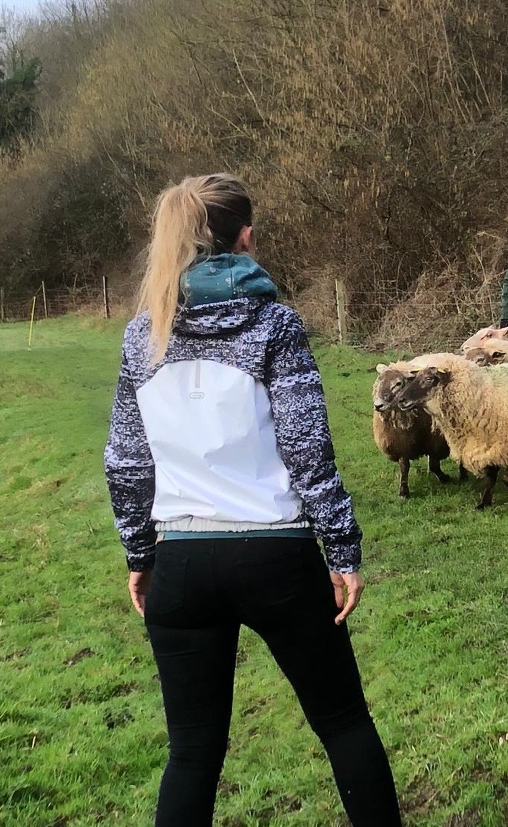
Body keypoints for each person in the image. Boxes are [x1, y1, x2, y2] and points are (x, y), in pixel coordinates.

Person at [104, 173, 401, 827]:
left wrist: (139, 551)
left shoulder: (140, 336)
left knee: (191, 754)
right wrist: (343, 548)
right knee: (345, 723)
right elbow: (306, 447)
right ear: (246, 237)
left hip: (181, 563)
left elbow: (126, 462)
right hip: (276, 556)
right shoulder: (275, 324)